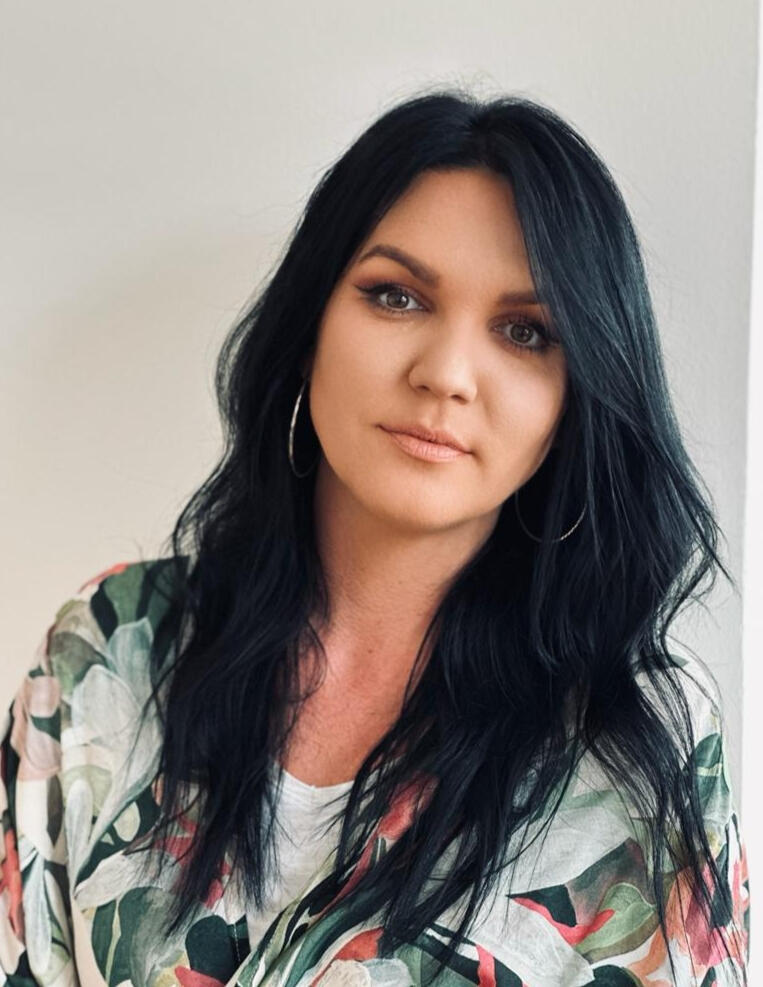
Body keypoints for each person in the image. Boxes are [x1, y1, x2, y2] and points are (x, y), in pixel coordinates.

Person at [1, 88, 750, 987]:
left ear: (575, 396)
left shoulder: (633, 743)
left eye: (524, 331)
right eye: (396, 296)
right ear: (309, 324)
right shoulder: (113, 648)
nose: (445, 373)